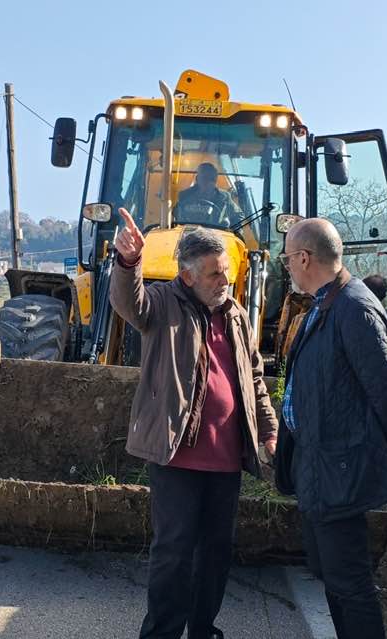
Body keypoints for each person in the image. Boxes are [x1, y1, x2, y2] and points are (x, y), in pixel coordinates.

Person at [110, 208, 278, 639]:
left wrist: (268, 429)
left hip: (225, 462)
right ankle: (163, 632)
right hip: (178, 459)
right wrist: (129, 264)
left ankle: (204, 629)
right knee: (173, 553)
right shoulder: (164, 304)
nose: (224, 282)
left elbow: (254, 378)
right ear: (187, 277)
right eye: (214, 275)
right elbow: (130, 303)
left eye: (225, 273)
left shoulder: (237, 314)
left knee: (217, 554)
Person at [275, 218, 387, 639]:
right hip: (320, 470)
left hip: (340, 473)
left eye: (287, 259)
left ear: (304, 258)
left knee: (351, 586)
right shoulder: (324, 302)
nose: (287, 268)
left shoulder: (354, 307)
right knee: (332, 578)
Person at [175, 162, 239, 228]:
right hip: (188, 233)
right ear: (197, 179)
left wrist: (236, 231)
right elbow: (176, 214)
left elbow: (238, 215)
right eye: (205, 178)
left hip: (217, 234)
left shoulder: (225, 197)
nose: (209, 182)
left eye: (212, 179)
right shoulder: (184, 195)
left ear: (216, 180)